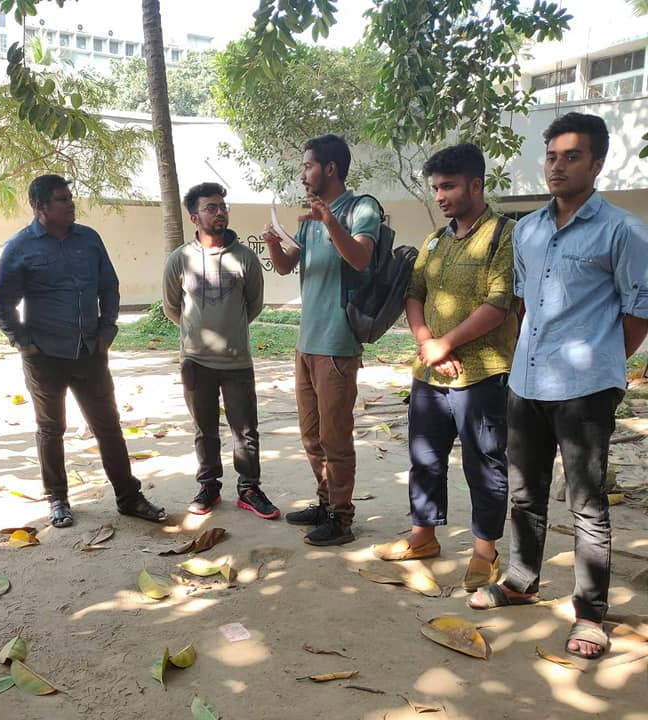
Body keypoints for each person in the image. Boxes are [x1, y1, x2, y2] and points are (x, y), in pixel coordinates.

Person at [469, 113, 648, 660]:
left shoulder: (624, 230)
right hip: (526, 382)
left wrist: (599, 369)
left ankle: (590, 615)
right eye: (552, 155)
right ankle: (521, 582)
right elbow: (526, 304)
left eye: (572, 156)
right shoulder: (527, 230)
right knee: (526, 493)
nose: (557, 165)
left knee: (587, 504)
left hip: (585, 390)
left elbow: (638, 311)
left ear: (597, 164)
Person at [371, 144, 517, 592]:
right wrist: (427, 344)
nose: (440, 196)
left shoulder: (504, 235)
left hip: (483, 375)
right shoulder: (436, 240)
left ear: (476, 185)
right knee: (425, 459)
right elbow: (413, 293)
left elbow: (500, 302)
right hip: (429, 376)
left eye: (449, 186)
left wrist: (446, 343)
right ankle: (423, 538)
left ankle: (484, 553)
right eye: (435, 187)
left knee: (484, 464)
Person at [0, 174, 166, 528]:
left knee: (108, 426)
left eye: (70, 198)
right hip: (45, 357)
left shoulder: (88, 239)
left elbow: (109, 287)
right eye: (62, 200)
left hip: (90, 351)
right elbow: (4, 303)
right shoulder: (20, 247)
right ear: (40, 208)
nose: (71, 205)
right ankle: (57, 498)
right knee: (51, 428)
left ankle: (128, 496)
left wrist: (107, 330)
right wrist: (23, 342)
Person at [261, 134, 381, 546]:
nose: (302, 173)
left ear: (330, 168)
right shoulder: (312, 216)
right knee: (311, 435)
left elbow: (362, 258)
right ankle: (325, 501)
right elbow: (285, 268)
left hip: (337, 345)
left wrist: (329, 220)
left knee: (335, 437)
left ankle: (342, 518)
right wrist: (275, 244)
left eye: (308, 165)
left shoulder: (361, 208)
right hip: (306, 342)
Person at [163, 182, 278, 519]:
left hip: (237, 361)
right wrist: (195, 336)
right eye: (211, 207)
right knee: (205, 430)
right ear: (194, 216)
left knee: (246, 431)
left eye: (222, 206)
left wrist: (230, 331)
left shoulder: (245, 258)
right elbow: (173, 307)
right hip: (196, 363)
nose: (220, 212)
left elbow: (253, 304)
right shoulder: (179, 259)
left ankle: (249, 488)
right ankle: (209, 486)